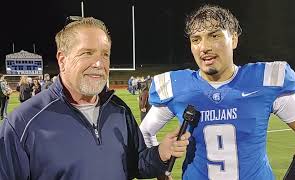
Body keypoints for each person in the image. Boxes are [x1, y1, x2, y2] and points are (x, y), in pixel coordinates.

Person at [140, 4, 295, 180]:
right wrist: (161, 173)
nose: (204, 47)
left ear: (233, 39)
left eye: (214, 35)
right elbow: (145, 132)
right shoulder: (177, 86)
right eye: (196, 39)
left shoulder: (264, 80)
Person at [0, 17, 191, 180]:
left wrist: (160, 153)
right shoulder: (22, 123)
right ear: (62, 59)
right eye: (87, 53)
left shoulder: (119, 110)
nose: (99, 63)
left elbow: (136, 166)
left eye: (105, 54)